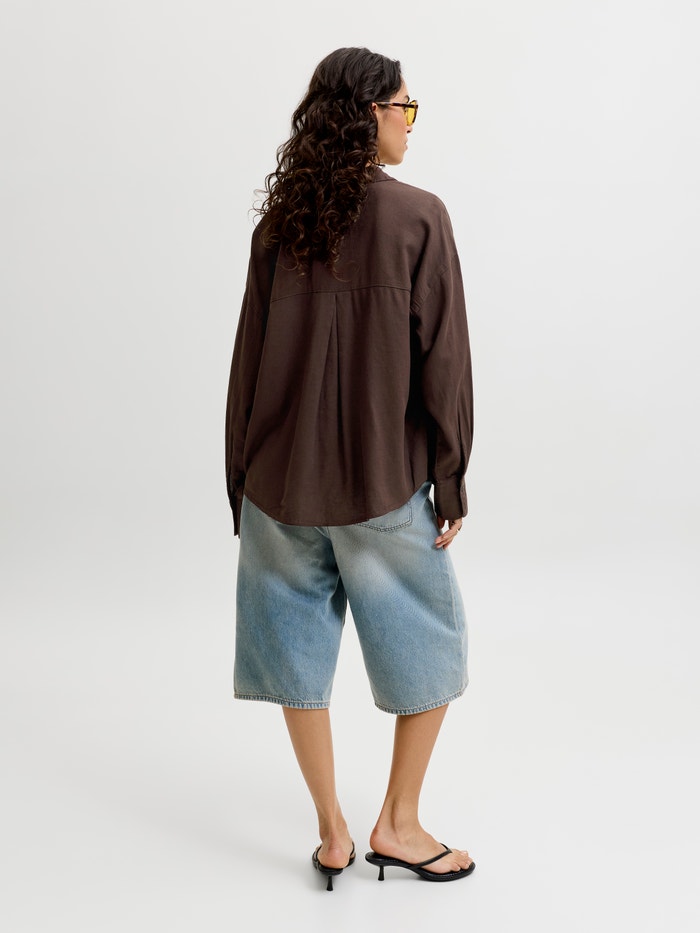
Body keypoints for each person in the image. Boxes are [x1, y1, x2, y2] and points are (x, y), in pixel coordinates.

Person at [225, 47, 475, 890]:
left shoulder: (279, 227)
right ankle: (397, 824)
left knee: (295, 657)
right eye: (406, 106)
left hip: (279, 485)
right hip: (381, 482)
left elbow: (247, 362)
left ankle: (332, 831)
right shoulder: (419, 218)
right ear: (371, 112)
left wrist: (239, 479)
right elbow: (446, 362)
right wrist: (451, 475)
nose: (410, 122)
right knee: (430, 646)